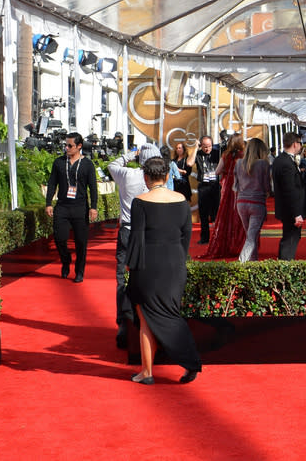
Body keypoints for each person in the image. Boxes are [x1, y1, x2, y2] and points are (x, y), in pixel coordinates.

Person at [125, 156, 202, 385]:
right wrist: (179, 259)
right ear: (168, 176)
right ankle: (188, 362)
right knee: (170, 314)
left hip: (148, 265)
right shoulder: (180, 200)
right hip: (175, 264)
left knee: (146, 319)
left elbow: (136, 238)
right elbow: (186, 236)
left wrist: (130, 265)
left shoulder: (140, 201)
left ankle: (147, 372)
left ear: (146, 177)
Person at [107, 143, 159, 348]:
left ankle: (124, 322)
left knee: (123, 278)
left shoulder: (127, 175)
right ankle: (150, 320)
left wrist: (132, 153)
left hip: (128, 231)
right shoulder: (159, 179)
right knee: (152, 277)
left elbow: (113, 164)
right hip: (150, 232)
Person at [45, 132, 98, 283]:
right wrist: (48, 203)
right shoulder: (59, 162)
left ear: (79, 146)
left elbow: (93, 187)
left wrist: (93, 207)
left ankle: (79, 271)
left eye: (70, 145)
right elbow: (52, 184)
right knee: (60, 238)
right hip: (62, 206)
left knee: (81, 242)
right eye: (65, 145)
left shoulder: (87, 164)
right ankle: (66, 260)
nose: (66, 148)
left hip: (80, 208)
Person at [203, 134, 245, 258]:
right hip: (241, 187)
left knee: (226, 215)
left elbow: (217, 171)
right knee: (240, 216)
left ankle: (227, 244)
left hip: (228, 188)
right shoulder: (244, 156)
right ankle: (240, 245)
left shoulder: (225, 155)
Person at [235, 137, 272, 262]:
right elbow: (267, 186)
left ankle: (252, 262)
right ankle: (242, 262)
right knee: (251, 237)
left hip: (241, 202)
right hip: (257, 202)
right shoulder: (263, 164)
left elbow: (236, 185)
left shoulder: (239, 163)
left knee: (250, 236)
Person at [272, 131, 306, 261]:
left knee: (290, 237)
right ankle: (285, 265)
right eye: (300, 143)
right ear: (295, 144)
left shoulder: (281, 160)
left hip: (286, 208)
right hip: (290, 209)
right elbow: (289, 190)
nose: (301, 146)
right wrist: (297, 214)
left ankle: (284, 264)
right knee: (290, 239)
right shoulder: (286, 163)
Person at [193, 135, 222, 244]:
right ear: (201, 145)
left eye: (209, 146)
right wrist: (195, 148)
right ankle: (204, 238)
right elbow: (190, 163)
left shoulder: (216, 153)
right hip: (203, 186)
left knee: (217, 213)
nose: (207, 149)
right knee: (203, 214)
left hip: (215, 186)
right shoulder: (198, 154)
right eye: (205, 146)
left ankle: (218, 238)